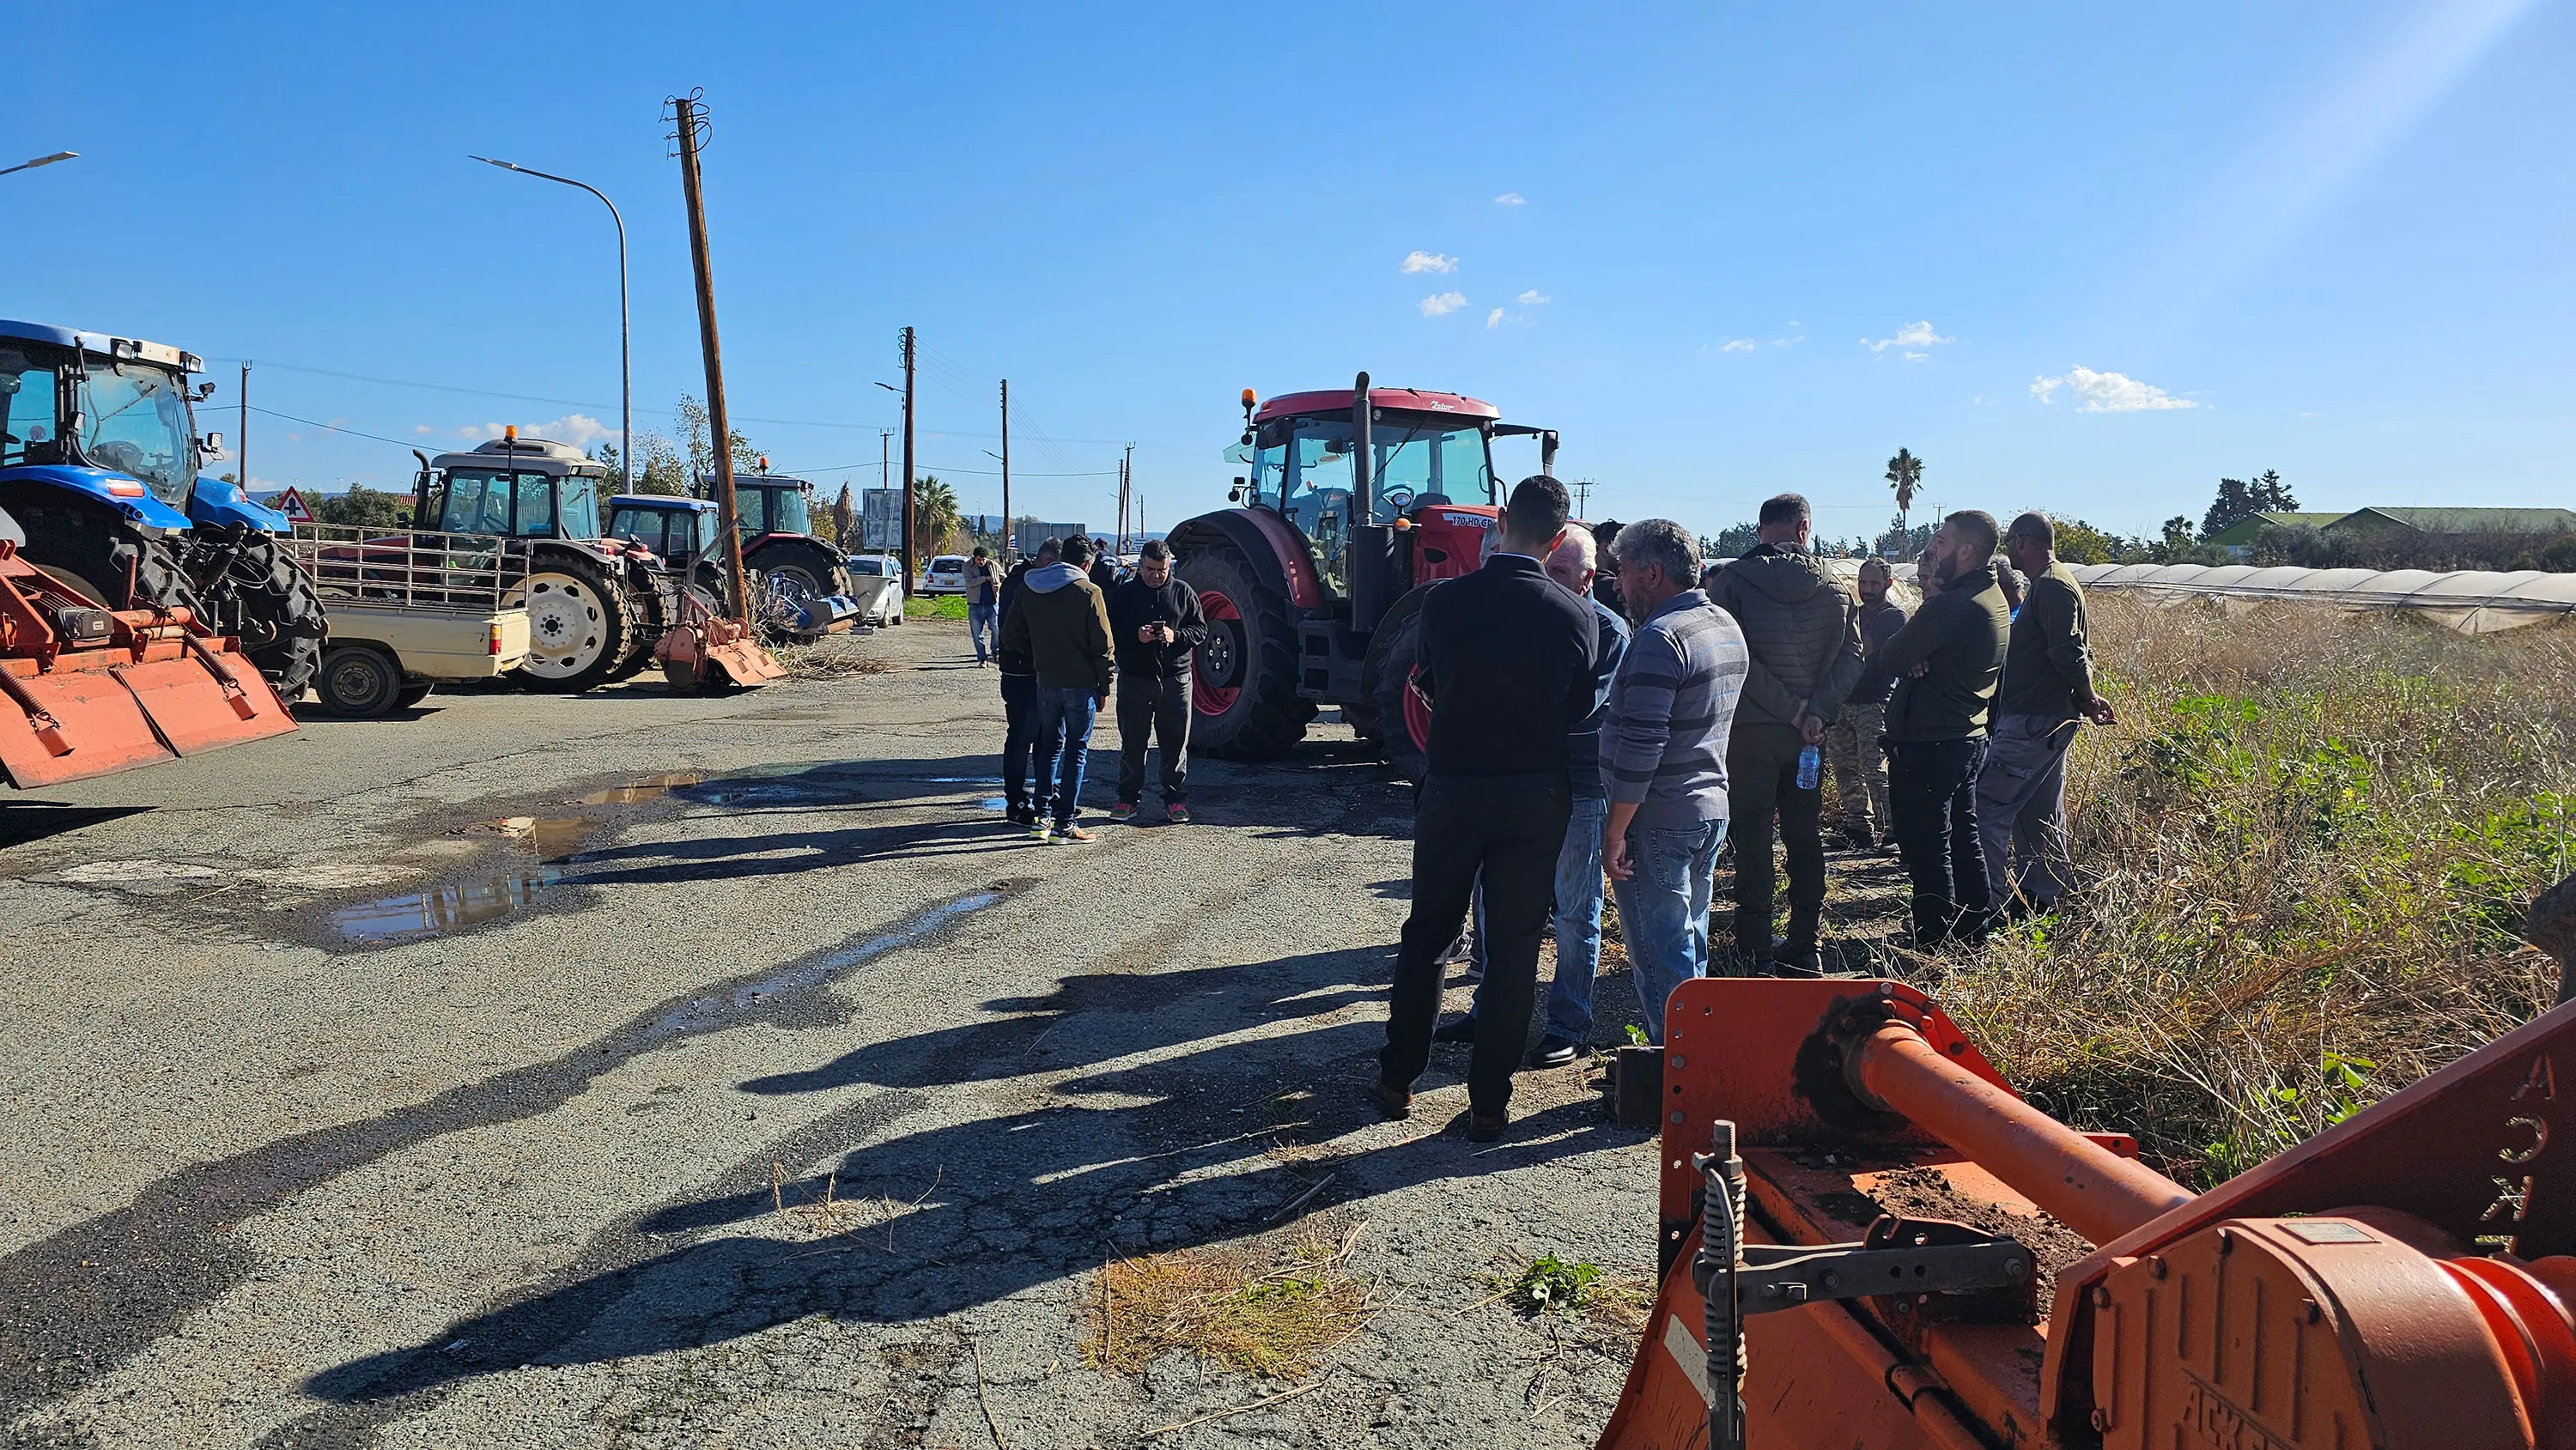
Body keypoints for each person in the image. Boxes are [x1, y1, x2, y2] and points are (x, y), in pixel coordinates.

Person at [1369, 476, 1597, 1143]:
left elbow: (1428, 680)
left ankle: (1398, 1077)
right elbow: (1579, 707)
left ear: (1499, 521)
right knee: (1517, 948)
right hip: (1535, 793)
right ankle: (1490, 1104)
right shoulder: (1575, 613)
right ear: (1558, 538)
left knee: (1430, 933)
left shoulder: (1444, 602)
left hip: (1455, 787)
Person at [1432, 525, 1630, 1068]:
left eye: (1561, 572)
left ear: (1589, 577)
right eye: (1548, 567)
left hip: (1581, 786)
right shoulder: (1530, 611)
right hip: (1520, 781)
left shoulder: (1608, 630)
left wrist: (1507, 715)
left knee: (1574, 908)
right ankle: (1487, 1009)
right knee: (1492, 903)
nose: (1549, 578)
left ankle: (1569, 1022)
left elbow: (1586, 706)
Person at [1702, 494, 1863, 975]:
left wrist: (1789, 709)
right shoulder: (1837, 587)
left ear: (1760, 529)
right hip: (1809, 740)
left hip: (1750, 735)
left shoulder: (1732, 582)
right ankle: (1805, 941)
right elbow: (1853, 657)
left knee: (1751, 837)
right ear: (1804, 528)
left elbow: (1734, 655)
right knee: (1804, 835)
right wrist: (1815, 711)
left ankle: (1754, 947)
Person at [1601, 519, 1747, 1043]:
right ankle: (1698, 1056)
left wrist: (1615, 830)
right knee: (1690, 943)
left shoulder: (1659, 640)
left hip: (1658, 818)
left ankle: (1681, 1070)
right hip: (1708, 810)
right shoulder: (1723, 624)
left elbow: (1642, 748)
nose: (1616, 584)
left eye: (1623, 573)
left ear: (1652, 573)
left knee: (1663, 958)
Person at [1871, 511, 2011, 949]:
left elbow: (1890, 657)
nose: (1932, 550)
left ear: (1966, 552)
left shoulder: (1949, 606)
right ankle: (1972, 931)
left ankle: (1933, 941)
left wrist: (1912, 655)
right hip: (1967, 737)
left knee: (1927, 848)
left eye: (1942, 543)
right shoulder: (1992, 597)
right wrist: (1919, 656)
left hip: (1929, 743)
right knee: (1963, 836)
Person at [1978, 513, 2116, 915]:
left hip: (2034, 721)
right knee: (2041, 811)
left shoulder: (2052, 586)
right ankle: (2041, 897)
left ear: (2023, 542)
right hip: (2046, 719)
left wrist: (2088, 696)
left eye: (2010, 543)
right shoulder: (2053, 583)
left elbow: (2068, 651)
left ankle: (1985, 904)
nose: (2007, 550)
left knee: (1989, 806)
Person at [999, 534, 1115, 844]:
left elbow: (1009, 635)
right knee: (1076, 751)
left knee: (1049, 747)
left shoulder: (1030, 587)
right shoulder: (1089, 592)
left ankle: (1041, 819)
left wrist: (1038, 655)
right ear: (1086, 564)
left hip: (1045, 681)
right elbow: (1103, 647)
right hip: (1081, 685)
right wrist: (1105, 686)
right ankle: (1066, 821)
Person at [1106, 538, 1206, 824]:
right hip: (1135, 678)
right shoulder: (1124, 595)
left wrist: (1177, 637)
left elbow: (1200, 629)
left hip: (1175, 679)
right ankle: (1127, 799)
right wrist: (1135, 637)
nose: (1156, 575)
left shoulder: (1183, 593)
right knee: (1133, 742)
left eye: (1161, 570)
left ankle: (1175, 799)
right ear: (1140, 566)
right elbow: (1109, 631)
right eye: (1150, 569)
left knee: (1175, 743)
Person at [1826, 557, 1909, 850]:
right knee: (1846, 768)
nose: (1867, 589)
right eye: (1863, 583)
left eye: (1874, 583)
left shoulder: (1893, 618)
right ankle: (1857, 826)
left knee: (1876, 770)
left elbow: (1865, 649)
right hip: (1844, 702)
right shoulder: (1855, 614)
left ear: (1887, 584)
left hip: (1874, 703)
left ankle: (1892, 831)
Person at [994, 538, 1058, 827]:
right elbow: (1011, 634)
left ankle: (1046, 793)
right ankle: (1016, 801)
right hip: (1021, 675)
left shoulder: (1038, 583)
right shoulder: (1019, 585)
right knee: (1022, 737)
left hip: (1041, 675)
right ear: (1046, 563)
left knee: (1048, 739)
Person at [963, 546, 1004, 667]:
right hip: (975, 605)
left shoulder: (993, 565)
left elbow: (1005, 578)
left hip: (992, 604)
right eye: (979, 560)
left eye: (984, 559)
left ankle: (995, 652)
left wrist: (999, 585)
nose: (982, 562)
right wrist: (985, 578)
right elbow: (970, 582)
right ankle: (982, 658)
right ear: (974, 558)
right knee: (977, 634)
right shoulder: (967, 566)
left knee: (996, 630)